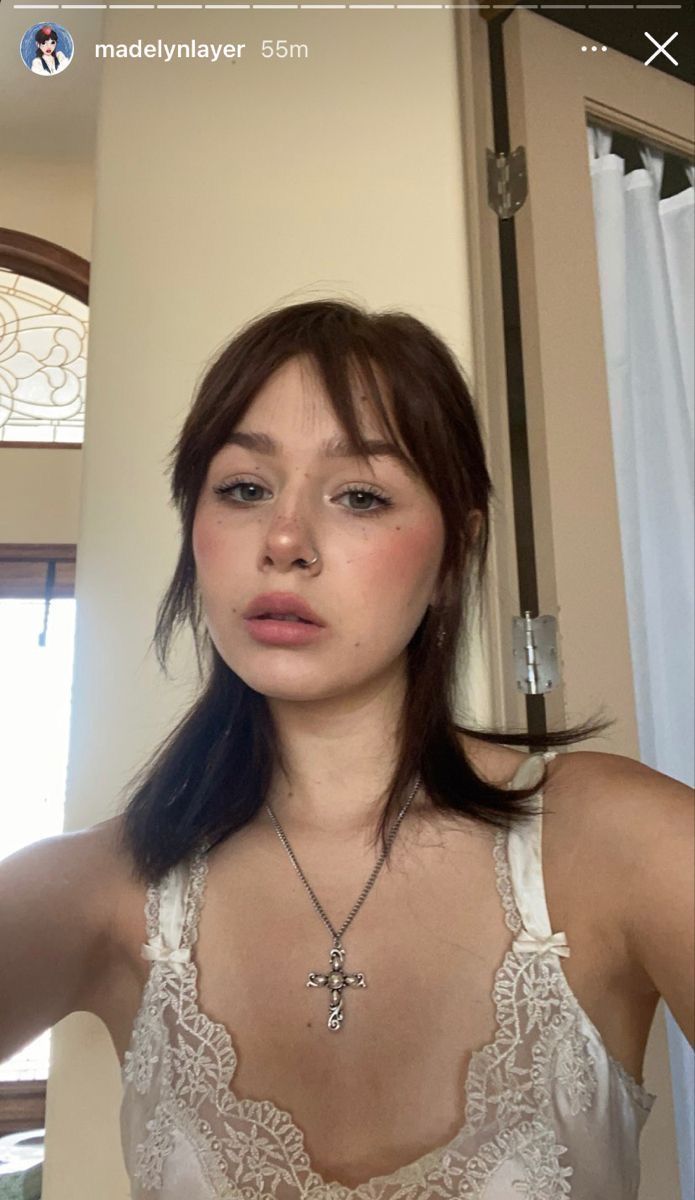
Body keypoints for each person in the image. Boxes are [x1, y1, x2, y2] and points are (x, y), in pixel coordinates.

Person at [0, 299, 692, 1197]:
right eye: (243, 489)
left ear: (455, 552)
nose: (284, 541)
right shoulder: (100, 888)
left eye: (359, 495)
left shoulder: (618, 842)